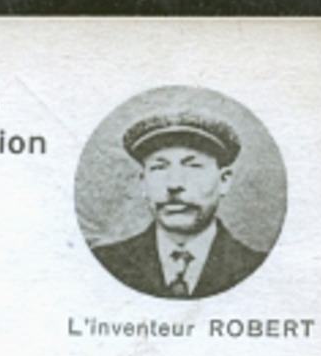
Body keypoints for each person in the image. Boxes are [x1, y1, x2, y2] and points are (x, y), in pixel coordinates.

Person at [90, 110, 268, 299]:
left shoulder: (259, 269)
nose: (174, 184)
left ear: (224, 181)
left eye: (193, 166)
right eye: (159, 167)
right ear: (143, 182)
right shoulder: (102, 264)